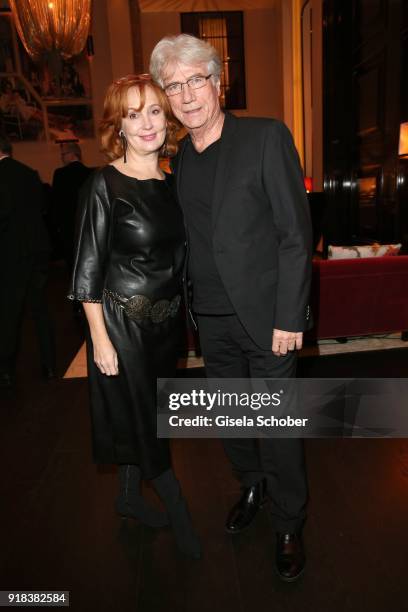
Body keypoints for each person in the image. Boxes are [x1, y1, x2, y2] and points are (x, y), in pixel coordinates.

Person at [150, 35, 313, 581]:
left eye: (197, 79)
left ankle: (289, 520)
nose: (187, 94)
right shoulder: (177, 162)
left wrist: (291, 316)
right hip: (211, 320)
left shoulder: (265, 137)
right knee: (232, 417)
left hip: (269, 321)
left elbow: (296, 234)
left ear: (219, 83)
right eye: (175, 85)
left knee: (279, 425)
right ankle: (252, 485)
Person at [68, 74, 201, 559]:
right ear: (117, 126)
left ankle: (127, 498)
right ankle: (180, 512)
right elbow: (87, 272)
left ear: (166, 120)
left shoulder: (172, 182)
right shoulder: (103, 185)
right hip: (123, 329)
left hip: (167, 329)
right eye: (132, 114)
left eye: (152, 112)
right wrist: (100, 342)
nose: (145, 124)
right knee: (147, 422)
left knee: (149, 418)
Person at [0, 135, 56, 387]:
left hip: (11, 254)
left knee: (10, 313)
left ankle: (6, 370)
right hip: (38, 251)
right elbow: (43, 207)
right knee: (40, 310)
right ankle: (50, 365)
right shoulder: (29, 173)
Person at [51, 142, 93, 273]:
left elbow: (56, 202)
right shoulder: (91, 173)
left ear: (72, 154)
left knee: (72, 264)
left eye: (63, 154)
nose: (61, 157)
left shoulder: (60, 173)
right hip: (88, 224)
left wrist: (55, 225)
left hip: (68, 225)